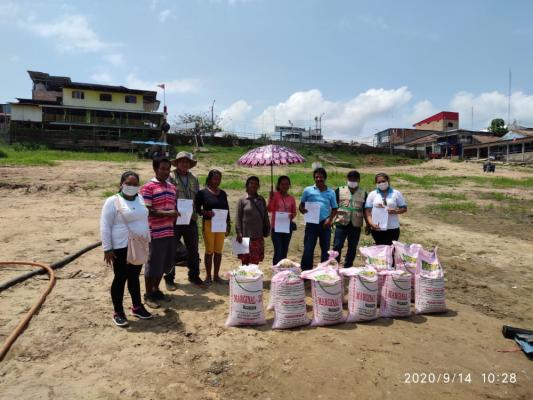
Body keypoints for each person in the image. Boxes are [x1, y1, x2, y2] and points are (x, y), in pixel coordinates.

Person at [100, 171, 153, 327]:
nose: (131, 187)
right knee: (120, 277)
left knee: (134, 276)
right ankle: (118, 312)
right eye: (128, 183)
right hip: (121, 246)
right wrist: (107, 248)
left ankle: (137, 306)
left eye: (135, 184)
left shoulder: (140, 199)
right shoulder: (112, 201)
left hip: (139, 244)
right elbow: (105, 225)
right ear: (121, 184)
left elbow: (143, 218)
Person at [140, 158, 178, 308]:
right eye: (162, 168)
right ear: (155, 169)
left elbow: (174, 207)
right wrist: (168, 214)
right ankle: (148, 294)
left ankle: (156, 289)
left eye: (167, 169)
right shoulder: (148, 187)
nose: (165, 171)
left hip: (169, 231)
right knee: (153, 263)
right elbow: (147, 210)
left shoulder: (172, 187)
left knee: (164, 264)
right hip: (154, 232)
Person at [165, 151, 204, 290]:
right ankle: (169, 279)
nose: (184, 164)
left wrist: (196, 211)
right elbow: (167, 197)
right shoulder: (170, 177)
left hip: (191, 219)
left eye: (187, 162)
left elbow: (197, 198)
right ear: (177, 163)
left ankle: (194, 275)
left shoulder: (194, 178)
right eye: (181, 161)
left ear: (190, 164)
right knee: (170, 249)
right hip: (175, 219)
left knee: (193, 249)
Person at [195, 169, 231, 285]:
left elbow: (227, 209)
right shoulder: (202, 193)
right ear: (209, 179)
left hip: (221, 224)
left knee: (218, 251)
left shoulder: (223, 193)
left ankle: (216, 276)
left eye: (219, 179)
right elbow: (197, 208)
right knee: (209, 251)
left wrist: (228, 224)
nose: (217, 181)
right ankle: (208, 276)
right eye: (215, 178)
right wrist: (205, 212)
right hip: (208, 224)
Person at [299, 167, 338, 270]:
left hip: (325, 224)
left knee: (325, 249)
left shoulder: (331, 192)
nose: (318, 179)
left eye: (321, 177)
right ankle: (306, 270)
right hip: (311, 223)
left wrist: (329, 220)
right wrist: (302, 209)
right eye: (316, 177)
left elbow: (334, 209)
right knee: (308, 248)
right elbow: (301, 205)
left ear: (325, 178)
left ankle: (323, 270)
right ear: (314, 178)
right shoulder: (308, 190)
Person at [332, 170, 367, 268]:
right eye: (350, 178)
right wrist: (330, 220)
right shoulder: (339, 190)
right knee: (337, 245)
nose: (352, 181)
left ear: (359, 180)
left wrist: (368, 224)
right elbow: (333, 206)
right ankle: (335, 265)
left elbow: (366, 210)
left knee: (352, 247)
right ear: (347, 179)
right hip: (341, 222)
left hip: (356, 224)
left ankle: (348, 266)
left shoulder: (363, 193)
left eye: (355, 179)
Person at [364, 172, 407, 245]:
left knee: (391, 249)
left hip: (393, 227)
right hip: (377, 227)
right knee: (380, 249)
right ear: (376, 183)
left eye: (383, 181)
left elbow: (404, 208)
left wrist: (395, 211)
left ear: (388, 181)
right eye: (379, 182)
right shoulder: (372, 194)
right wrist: (371, 224)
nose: (381, 183)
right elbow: (368, 211)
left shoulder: (396, 193)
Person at [236, 176, 270, 265]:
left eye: (256, 183)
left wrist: (267, 228)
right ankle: (244, 279)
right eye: (251, 183)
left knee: (254, 263)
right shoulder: (242, 200)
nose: (253, 185)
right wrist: (238, 232)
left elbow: (265, 216)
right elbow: (238, 218)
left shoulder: (261, 199)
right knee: (244, 261)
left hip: (258, 236)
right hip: (245, 236)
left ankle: (253, 279)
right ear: (247, 185)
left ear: (258, 186)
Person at [267, 175, 296, 265]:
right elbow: (269, 209)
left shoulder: (291, 198)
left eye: (287, 184)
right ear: (279, 185)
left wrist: (292, 215)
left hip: (287, 228)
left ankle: (282, 271)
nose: (285, 186)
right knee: (278, 250)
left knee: (284, 251)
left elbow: (294, 212)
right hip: (276, 228)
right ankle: (276, 270)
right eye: (282, 184)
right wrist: (271, 198)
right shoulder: (274, 195)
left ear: (289, 185)